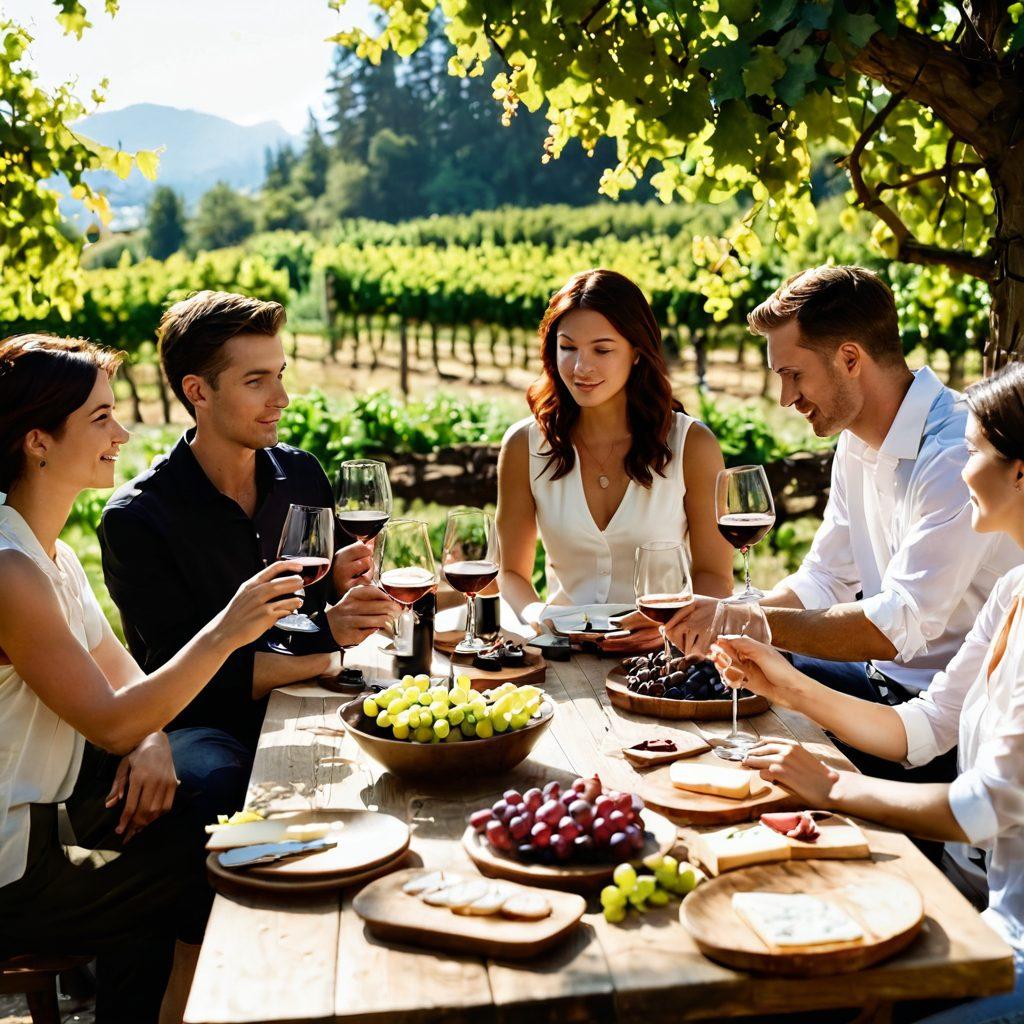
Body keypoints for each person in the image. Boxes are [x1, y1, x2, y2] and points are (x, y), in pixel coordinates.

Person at [0, 334, 305, 1023]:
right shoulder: (10, 570)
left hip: (53, 822)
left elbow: (125, 680)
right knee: (233, 854)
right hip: (16, 865)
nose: (123, 431)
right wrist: (228, 628)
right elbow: (111, 719)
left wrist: (153, 740)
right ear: (38, 441)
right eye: (100, 417)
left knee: (221, 803)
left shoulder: (48, 558)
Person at [710, 361, 1024, 1023]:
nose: (958, 465)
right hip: (981, 907)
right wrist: (789, 686)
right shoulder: (1011, 592)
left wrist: (833, 789)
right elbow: (924, 726)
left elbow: (985, 808)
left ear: (1020, 471)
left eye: (972, 453)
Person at [667, 266, 1021, 785]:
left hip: (939, 719)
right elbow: (823, 579)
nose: (785, 397)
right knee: (725, 680)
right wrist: (718, 619)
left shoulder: (951, 456)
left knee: (750, 728)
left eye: (793, 374)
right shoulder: (855, 441)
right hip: (879, 685)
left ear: (850, 359)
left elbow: (894, 626)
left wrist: (740, 621)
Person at [98, 293, 400, 822]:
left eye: (280, 374)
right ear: (198, 392)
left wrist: (342, 588)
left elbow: (315, 602)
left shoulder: (302, 474)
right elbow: (192, 684)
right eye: (256, 381)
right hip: (209, 726)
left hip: (308, 693)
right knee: (219, 778)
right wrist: (329, 642)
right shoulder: (137, 520)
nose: (281, 398)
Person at [496, 268, 734, 653]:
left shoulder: (692, 444)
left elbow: (714, 576)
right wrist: (538, 616)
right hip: (562, 653)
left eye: (602, 350)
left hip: (664, 654)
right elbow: (510, 573)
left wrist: (669, 629)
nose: (580, 367)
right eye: (568, 347)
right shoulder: (525, 445)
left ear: (637, 353)